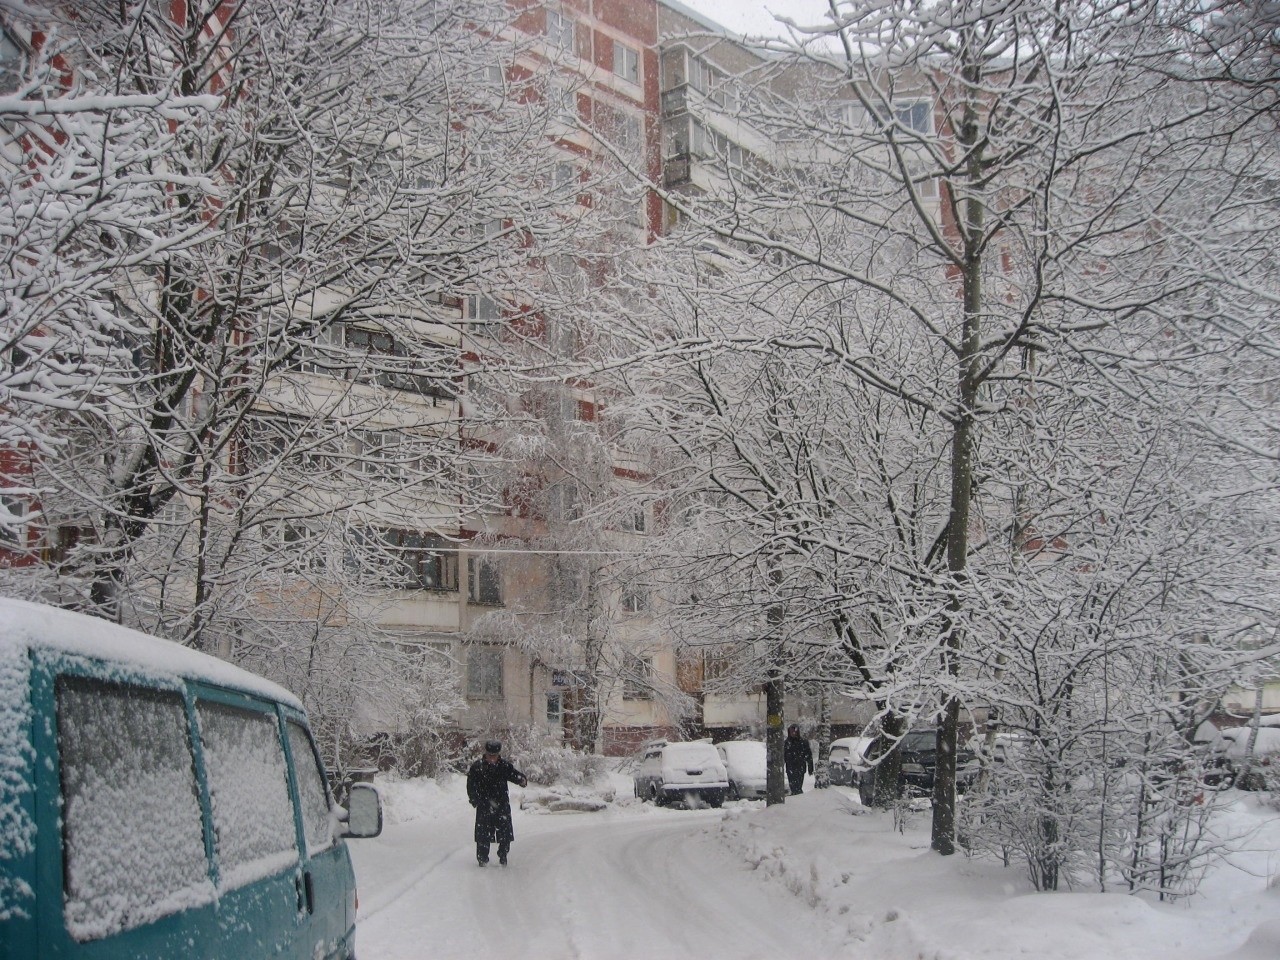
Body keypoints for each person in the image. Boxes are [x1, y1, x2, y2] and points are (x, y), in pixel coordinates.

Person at [466, 739, 528, 866]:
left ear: (498, 755)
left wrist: (521, 780)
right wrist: (474, 800)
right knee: (483, 834)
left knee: (505, 833)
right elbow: (471, 785)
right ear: (486, 754)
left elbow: (514, 774)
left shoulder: (504, 766)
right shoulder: (477, 767)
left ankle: (503, 854)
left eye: (494, 756)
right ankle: (482, 858)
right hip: (484, 805)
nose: (492, 758)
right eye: (490, 756)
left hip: (501, 805)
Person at [783, 724, 813, 796]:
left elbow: (808, 755)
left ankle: (798, 799)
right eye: (791, 731)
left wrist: (810, 767)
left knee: (798, 787)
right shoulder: (787, 743)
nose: (793, 733)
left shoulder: (803, 742)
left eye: (794, 731)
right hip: (790, 768)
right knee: (793, 787)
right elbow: (784, 755)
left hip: (800, 768)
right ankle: (796, 799)